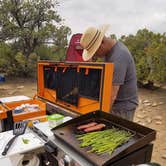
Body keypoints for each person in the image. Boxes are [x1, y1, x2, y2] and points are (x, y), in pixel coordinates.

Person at [80, 25, 138, 121]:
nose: (95, 56)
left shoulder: (119, 56)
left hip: (123, 106)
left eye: (94, 52)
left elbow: (112, 94)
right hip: (116, 103)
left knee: (118, 134)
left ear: (101, 43)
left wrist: (100, 117)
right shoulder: (109, 51)